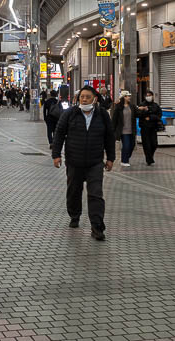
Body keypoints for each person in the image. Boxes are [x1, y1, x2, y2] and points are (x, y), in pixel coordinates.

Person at [51, 85, 115, 241]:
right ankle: (74, 216)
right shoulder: (70, 114)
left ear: (94, 99)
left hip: (95, 162)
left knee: (96, 194)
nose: (84, 99)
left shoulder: (102, 115)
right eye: (81, 96)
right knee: (74, 191)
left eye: (87, 97)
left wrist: (111, 158)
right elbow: (59, 134)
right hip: (74, 161)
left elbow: (109, 137)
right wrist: (56, 155)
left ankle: (97, 227)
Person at [112, 90, 139, 167]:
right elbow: (114, 120)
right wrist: (112, 130)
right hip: (123, 131)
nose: (129, 97)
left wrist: (144, 110)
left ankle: (126, 157)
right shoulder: (118, 108)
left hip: (132, 130)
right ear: (123, 97)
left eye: (129, 96)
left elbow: (137, 114)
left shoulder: (132, 106)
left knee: (132, 145)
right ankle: (124, 160)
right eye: (127, 96)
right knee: (126, 145)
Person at [137, 90, 162, 165]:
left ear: (153, 96)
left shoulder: (156, 105)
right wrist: (145, 110)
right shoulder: (142, 104)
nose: (148, 97)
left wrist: (150, 117)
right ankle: (149, 159)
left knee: (154, 144)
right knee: (146, 144)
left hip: (153, 127)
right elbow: (139, 114)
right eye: (147, 95)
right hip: (145, 128)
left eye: (149, 95)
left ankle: (150, 156)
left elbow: (159, 115)